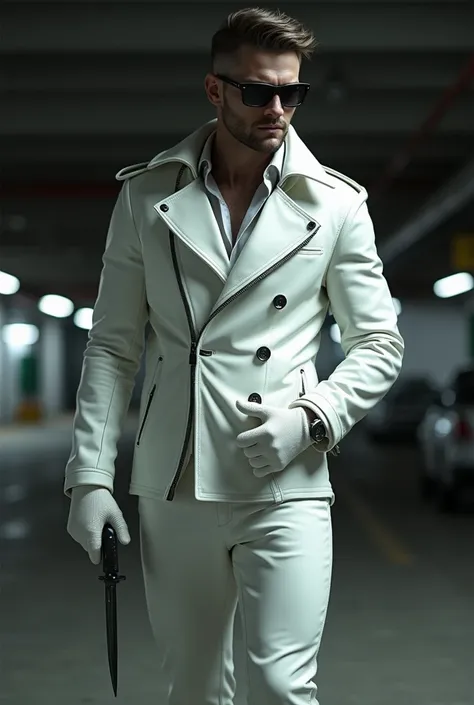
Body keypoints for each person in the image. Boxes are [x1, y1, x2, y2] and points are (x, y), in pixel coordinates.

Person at [65, 7, 404, 704]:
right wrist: (90, 475)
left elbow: (379, 342)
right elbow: (113, 345)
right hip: (175, 480)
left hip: (284, 475)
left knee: (282, 685)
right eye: (257, 91)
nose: (277, 109)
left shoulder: (336, 205)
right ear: (215, 91)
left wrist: (315, 416)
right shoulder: (147, 196)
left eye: (292, 93)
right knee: (193, 688)